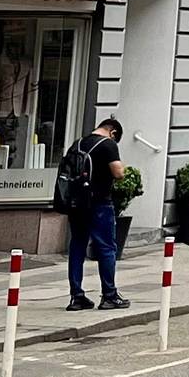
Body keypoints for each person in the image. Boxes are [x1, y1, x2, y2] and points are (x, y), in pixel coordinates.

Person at [67, 118, 131, 310]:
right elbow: (118, 173)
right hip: (99, 204)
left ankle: (77, 296)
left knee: (77, 246)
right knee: (106, 248)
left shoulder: (77, 143)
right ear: (113, 133)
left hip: (77, 203)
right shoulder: (108, 145)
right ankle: (109, 295)